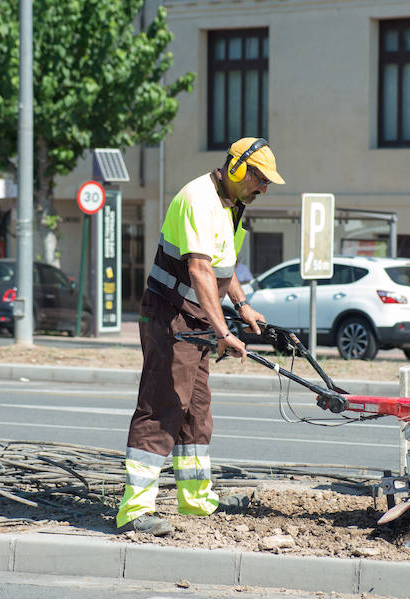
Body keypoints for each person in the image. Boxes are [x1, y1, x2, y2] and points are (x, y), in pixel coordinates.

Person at [116, 137, 285, 536]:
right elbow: (200, 271)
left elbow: (225, 266)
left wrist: (241, 304)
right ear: (237, 168)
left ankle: (195, 499)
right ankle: (133, 511)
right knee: (162, 406)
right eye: (259, 179)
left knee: (196, 410)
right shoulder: (199, 199)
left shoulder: (232, 206)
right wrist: (225, 331)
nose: (263, 188)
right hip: (171, 317)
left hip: (196, 321)